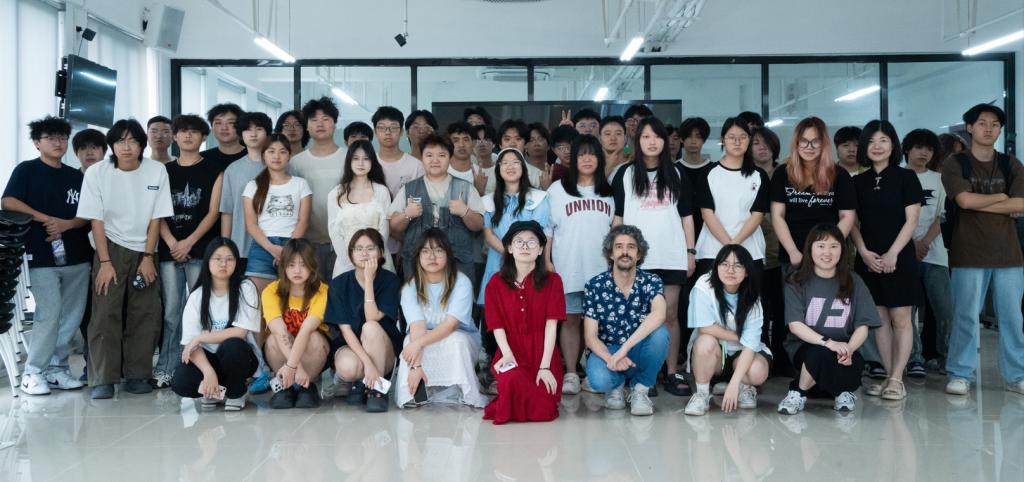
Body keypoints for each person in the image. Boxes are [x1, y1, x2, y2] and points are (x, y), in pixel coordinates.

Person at [76, 119, 174, 399]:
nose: (126, 147)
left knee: (145, 312)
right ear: (112, 145)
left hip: (146, 248)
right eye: (120, 141)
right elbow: (95, 219)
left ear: (142, 144)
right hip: (110, 247)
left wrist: (148, 256)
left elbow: (156, 216)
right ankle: (103, 379)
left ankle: (137, 374)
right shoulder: (97, 172)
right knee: (105, 312)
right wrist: (105, 262)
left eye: (133, 141)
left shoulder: (157, 170)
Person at [2, 116, 90, 395]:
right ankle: (33, 371)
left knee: (72, 316)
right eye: (50, 138)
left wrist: (66, 225)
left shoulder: (76, 176)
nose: (58, 143)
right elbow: (8, 201)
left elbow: (89, 214)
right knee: (49, 313)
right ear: (37, 142)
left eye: (62, 138)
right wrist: (46, 219)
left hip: (78, 255)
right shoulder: (26, 170)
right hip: (41, 256)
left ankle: (56, 368)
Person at [941, 103, 1024, 396]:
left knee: (1012, 318)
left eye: (994, 124)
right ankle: (960, 373)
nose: (988, 129)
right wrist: (1002, 198)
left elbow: (1021, 203)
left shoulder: (1011, 164)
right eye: (982, 123)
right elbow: (964, 201)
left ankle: (1016, 375)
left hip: (1008, 254)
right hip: (969, 252)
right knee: (966, 315)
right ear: (969, 127)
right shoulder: (956, 163)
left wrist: (982, 201)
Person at [611, 116, 695, 397]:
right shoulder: (625, 174)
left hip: (671, 255)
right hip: (635, 260)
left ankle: (671, 372)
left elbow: (687, 217)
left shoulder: (677, 174)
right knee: (637, 318)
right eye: (645, 136)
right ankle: (644, 375)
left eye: (657, 136)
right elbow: (618, 218)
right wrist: (615, 253)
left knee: (669, 316)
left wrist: (690, 252)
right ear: (638, 141)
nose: (651, 142)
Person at [850, 120, 923, 401]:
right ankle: (890, 375)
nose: (877, 146)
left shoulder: (906, 177)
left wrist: (893, 253)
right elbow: (852, 223)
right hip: (868, 259)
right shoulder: (857, 182)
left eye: (883, 140)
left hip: (899, 257)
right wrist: (863, 252)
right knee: (879, 320)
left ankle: (896, 379)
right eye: (871, 141)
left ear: (893, 145)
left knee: (901, 318)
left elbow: (911, 220)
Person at [152, 114, 225, 389]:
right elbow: (157, 212)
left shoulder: (214, 170)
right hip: (169, 251)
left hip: (201, 250)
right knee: (171, 312)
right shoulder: (163, 171)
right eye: (183, 131)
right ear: (175, 136)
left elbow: (213, 212)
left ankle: (198, 368)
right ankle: (166, 367)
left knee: (199, 311)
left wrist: (189, 242)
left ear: (204, 137)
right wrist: (173, 243)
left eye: (194, 132)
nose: (188, 136)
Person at [777, 224, 880, 415]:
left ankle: (836, 390)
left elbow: (863, 326)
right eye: (821, 246)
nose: (827, 252)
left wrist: (849, 349)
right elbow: (795, 326)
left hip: (843, 348)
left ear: (843, 250)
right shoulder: (796, 281)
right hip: (806, 347)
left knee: (856, 363)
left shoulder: (854, 281)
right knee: (819, 354)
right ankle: (799, 392)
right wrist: (828, 343)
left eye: (834, 246)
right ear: (810, 249)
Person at [546, 134, 614, 395]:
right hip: (569, 267)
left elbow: (617, 231)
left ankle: (598, 372)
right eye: (581, 154)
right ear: (573, 159)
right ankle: (572, 373)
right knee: (571, 320)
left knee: (601, 324)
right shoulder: (558, 190)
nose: (587, 159)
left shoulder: (609, 192)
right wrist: (547, 261)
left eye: (592, 154)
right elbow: (548, 231)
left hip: (602, 271)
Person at [395, 229, 489, 408]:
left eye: (438, 250)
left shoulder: (461, 282)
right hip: (423, 335)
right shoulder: (410, 287)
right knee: (409, 341)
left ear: (448, 255)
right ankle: (418, 393)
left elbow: (450, 325)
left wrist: (418, 344)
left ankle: (462, 391)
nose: (432, 257)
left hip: (459, 336)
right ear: (418, 257)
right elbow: (417, 326)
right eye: (425, 251)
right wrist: (415, 366)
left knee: (456, 340)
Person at [483, 221, 565, 424]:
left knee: (544, 411)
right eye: (519, 241)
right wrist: (507, 354)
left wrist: (545, 367)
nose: (525, 246)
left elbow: (551, 326)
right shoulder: (495, 283)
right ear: (510, 248)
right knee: (512, 380)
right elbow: (496, 326)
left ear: (541, 249)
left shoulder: (553, 281)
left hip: (543, 353)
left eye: (531, 242)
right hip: (509, 351)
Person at [583, 225, 668, 416]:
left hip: (637, 350)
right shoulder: (594, 286)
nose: (624, 252)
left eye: (631, 247)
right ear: (610, 253)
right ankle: (616, 387)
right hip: (608, 351)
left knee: (660, 333)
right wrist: (611, 358)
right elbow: (590, 337)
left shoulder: (651, 281)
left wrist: (625, 349)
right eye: (619, 246)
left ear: (639, 254)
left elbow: (659, 314)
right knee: (599, 379)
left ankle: (640, 390)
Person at [171, 238, 261, 411]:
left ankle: (236, 392)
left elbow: (240, 332)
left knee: (233, 345)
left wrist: (200, 338)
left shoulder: (245, 288)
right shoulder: (197, 296)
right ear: (207, 261)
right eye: (217, 258)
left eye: (229, 259)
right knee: (180, 381)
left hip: (240, 357)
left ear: (236, 262)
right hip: (208, 358)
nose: (223, 263)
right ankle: (213, 391)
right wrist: (208, 371)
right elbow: (190, 344)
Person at [684, 245, 770, 416]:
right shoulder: (704, 286)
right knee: (705, 341)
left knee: (758, 371)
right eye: (724, 264)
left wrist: (734, 385)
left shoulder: (752, 297)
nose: (730, 270)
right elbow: (705, 327)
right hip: (716, 352)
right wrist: (738, 336)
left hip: (742, 352)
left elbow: (750, 345)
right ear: (716, 267)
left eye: (738, 265)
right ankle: (702, 394)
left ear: (747, 271)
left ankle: (743, 387)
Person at [325, 228, 402, 412]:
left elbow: (372, 317)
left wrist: (368, 281)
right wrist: (368, 364)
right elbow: (345, 331)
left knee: (371, 327)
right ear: (351, 254)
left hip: (383, 350)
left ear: (381, 252)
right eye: (358, 249)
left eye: (370, 248)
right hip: (352, 347)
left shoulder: (390, 281)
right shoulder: (338, 284)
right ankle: (359, 383)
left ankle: (377, 389)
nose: (364, 253)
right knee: (348, 367)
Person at [389, 134, 485, 278]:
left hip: (457, 265)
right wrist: (406, 214)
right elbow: (393, 226)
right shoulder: (409, 189)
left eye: (441, 155)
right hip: (417, 266)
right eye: (429, 155)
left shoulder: (466, 188)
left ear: (450, 157)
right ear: (422, 158)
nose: (435, 160)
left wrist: (465, 212)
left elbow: (479, 225)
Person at [770, 116, 857, 270]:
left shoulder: (840, 175)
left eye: (815, 141)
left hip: (830, 259)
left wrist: (828, 250)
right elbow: (777, 216)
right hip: (793, 257)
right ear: (796, 143)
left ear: (824, 143)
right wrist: (793, 252)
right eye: (804, 141)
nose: (809, 147)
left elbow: (847, 216)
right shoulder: (782, 173)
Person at [902, 128, 952, 375]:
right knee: (907, 311)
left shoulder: (940, 179)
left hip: (936, 254)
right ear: (907, 149)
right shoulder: (898, 177)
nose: (924, 153)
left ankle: (945, 357)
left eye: (929, 149)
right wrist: (912, 243)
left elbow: (941, 216)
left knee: (945, 309)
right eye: (919, 147)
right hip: (904, 253)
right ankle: (914, 358)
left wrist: (923, 243)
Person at [694, 117, 769, 276]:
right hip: (712, 250)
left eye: (743, 137)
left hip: (750, 250)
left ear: (749, 140)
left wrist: (735, 245)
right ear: (723, 140)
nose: (737, 142)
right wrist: (729, 246)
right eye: (732, 137)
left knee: (749, 292)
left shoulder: (759, 175)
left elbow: (757, 215)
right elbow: (707, 214)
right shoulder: (708, 173)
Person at [262, 238, 331, 409]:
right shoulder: (271, 291)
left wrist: (292, 366)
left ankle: (307, 385)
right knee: (273, 339)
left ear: (312, 266)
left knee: (314, 337)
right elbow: (279, 330)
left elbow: (307, 328)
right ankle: (285, 385)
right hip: (285, 357)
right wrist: (295, 367)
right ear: (283, 266)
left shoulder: (322, 291)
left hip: (312, 352)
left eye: (303, 264)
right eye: (291, 265)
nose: (297, 270)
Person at [242, 134, 312, 294]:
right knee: (257, 301)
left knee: (293, 300)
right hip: (262, 246)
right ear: (263, 155)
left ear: (289, 155)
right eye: (271, 151)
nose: (277, 156)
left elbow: (304, 221)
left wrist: (288, 250)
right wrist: (272, 248)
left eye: (282, 151)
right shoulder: (252, 186)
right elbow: (251, 224)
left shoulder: (300, 184)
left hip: (294, 245)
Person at [290, 97, 347, 281]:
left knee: (339, 292)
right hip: (307, 243)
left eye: (325, 119)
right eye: (314, 120)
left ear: (335, 123)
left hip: (343, 241)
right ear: (307, 126)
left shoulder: (349, 158)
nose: (320, 124)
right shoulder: (296, 162)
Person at [326, 140, 394, 276]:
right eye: (356, 158)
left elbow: (384, 228)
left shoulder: (381, 191)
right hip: (345, 261)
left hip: (377, 259)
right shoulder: (336, 193)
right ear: (349, 161)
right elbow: (334, 231)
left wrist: (374, 256)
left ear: (372, 161)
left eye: (366, 159)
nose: (361, 163)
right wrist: (349, 260)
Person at [751, 126, 788, 374]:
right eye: (756, 143)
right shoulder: (746, 175)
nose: (762, 148)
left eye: (766, 143)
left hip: (784, 254)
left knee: (784, 309)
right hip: (755, 255)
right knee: (758, 310)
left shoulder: (785, 173)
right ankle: (761, 357)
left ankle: (782, 360)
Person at [219, 112, 273, 271]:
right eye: (248, 130)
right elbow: (227, 211)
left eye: (259, 129)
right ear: (241, 134)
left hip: (275, 243)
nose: (253, 134)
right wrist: (225, 244)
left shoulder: (283, 165)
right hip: (241, 246)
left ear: (267, 133)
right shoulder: (233, 169)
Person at [373, 106, 425, 198]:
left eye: (393, 127)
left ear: (401, 132)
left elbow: (420, 199)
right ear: (375, 132)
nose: (388, 132)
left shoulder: (416, 166)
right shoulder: (369, 163)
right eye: (382, 127)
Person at [678, 117, 715, 238]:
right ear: (682, 139)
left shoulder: (713, 170)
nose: (693, 141)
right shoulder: (673, 169)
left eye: (698, 136)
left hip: (709, 230)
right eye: (689, 136)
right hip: (680, 230)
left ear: (704, 140)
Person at [496, 119, 544, 187]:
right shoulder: (488, 174)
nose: (512, 144)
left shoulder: (538, 175)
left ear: (526, 144)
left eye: (518, 139)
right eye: (507, 139)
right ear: (500, 144)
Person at [200, 103, 248, 170]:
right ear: (212, 128)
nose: (224, 128)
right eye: (218, 123)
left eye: (231, 123)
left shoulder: (255, 156)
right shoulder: (201, 159)